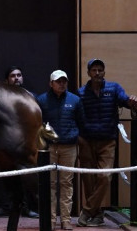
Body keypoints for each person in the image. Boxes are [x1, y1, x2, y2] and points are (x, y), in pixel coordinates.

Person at [77, 58, 137, 227]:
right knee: (88, 179)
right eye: (94, 70)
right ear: (88, 73)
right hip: (86, 140)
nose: (97, 73)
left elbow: (124, 100)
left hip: (107, 140)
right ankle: (97, 215)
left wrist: (131, 101)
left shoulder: (114, 88)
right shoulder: (81, 92)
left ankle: (87, 211)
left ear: (104, 72)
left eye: (100, 70)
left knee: (105, 177)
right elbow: (76, 115)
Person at [0, 66, 39, 219]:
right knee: (5, 175)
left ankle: (28, 208)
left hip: (25, 144)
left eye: (19, 75)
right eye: (13, 76)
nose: (16, 78)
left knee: (27, 175)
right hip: (3, 143)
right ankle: (5, 207)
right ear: (7, 80)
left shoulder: (31, 97)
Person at [37, 70, 85, 230]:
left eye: (64, 81)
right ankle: (50, 220)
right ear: (51, 83)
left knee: (66, 183)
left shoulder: (75, 100)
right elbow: (38, 125)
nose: (62, 84)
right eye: (58, 81)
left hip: (70, 147)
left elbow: (81, 121)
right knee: (49, 184)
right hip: (49, 148)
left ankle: (66, 220)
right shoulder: (42, 100)